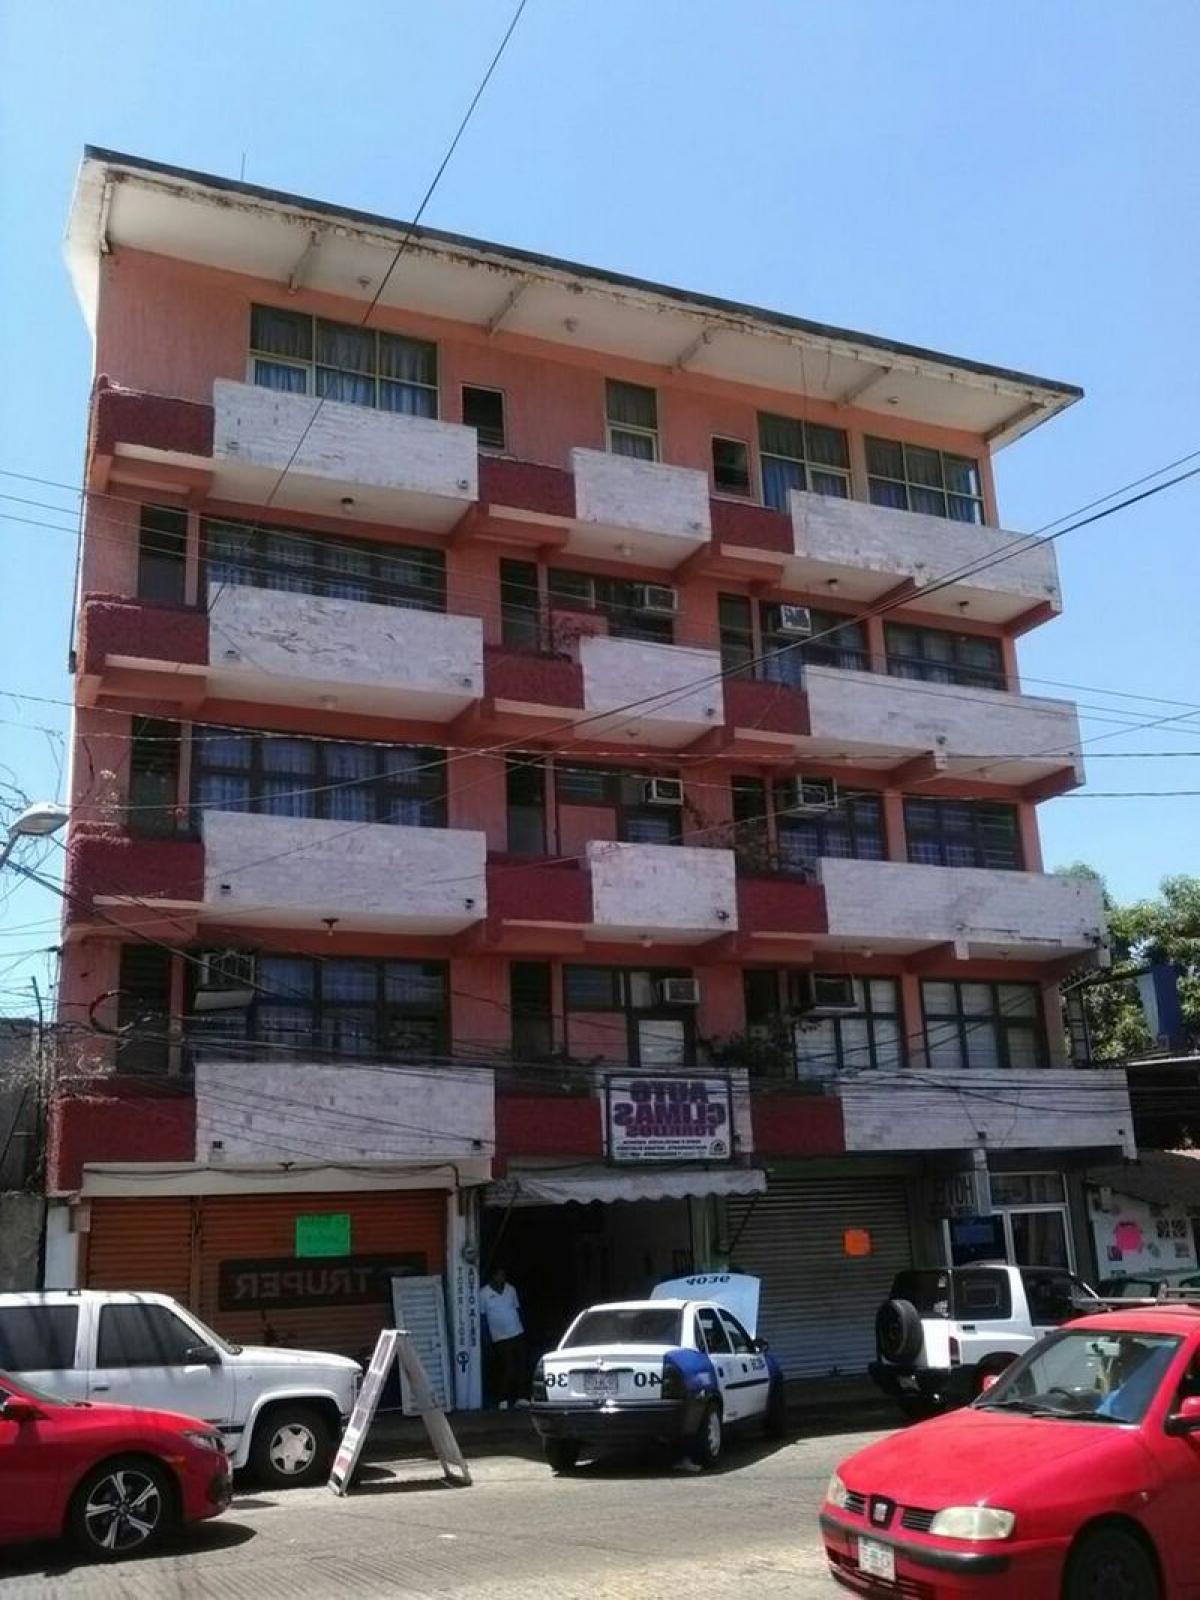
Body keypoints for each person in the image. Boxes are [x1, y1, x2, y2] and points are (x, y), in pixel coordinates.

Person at [480, 1266, 526, 1409]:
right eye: (499, 1275)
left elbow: (517, 1309)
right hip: (499, 1337)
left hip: (517, 1332)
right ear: (492, 1277)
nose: (502, 1278)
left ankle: (521, 1397)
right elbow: (482, 1317)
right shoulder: (483, 1294)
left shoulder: (510, 1289)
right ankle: (503, 1398)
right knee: (507, 1367)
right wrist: (486, 1338)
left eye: (503, 1275)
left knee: (521, 1365)